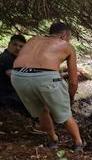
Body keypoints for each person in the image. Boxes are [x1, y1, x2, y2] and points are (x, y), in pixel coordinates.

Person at [11, 22, 84, 151]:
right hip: (46, 78)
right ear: (65, 35)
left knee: (41, 111)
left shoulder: (34, 39)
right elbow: (73, 81)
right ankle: (78, 143)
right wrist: (70, 98)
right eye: (69, 37)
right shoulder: (67, 46)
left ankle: (53, 140)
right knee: (66, 115)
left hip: (18, 76)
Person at [0, 34, 27, 111]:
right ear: (9, 45)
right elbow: (14, 75)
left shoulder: (14, 59)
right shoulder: (6, 58)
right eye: (15, 45)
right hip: (6, 97)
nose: (17, 48)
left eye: (21, 46)